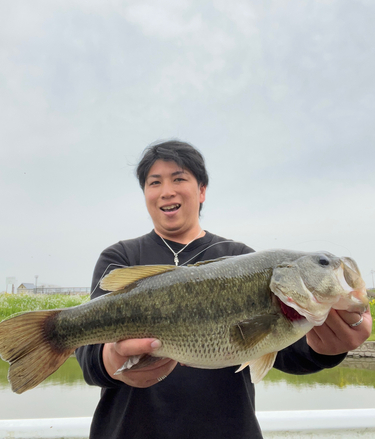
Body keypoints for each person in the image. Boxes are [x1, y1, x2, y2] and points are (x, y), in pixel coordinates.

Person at [76, 140, 372, 439]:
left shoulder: (244, 258)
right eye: (155, 182)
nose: (167, 190)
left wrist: (326, 349)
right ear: (145, 194)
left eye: (179, 178)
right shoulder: (120, 258)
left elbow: (286, 352)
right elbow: (88, 358)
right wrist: (113, 361)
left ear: (201, 190)